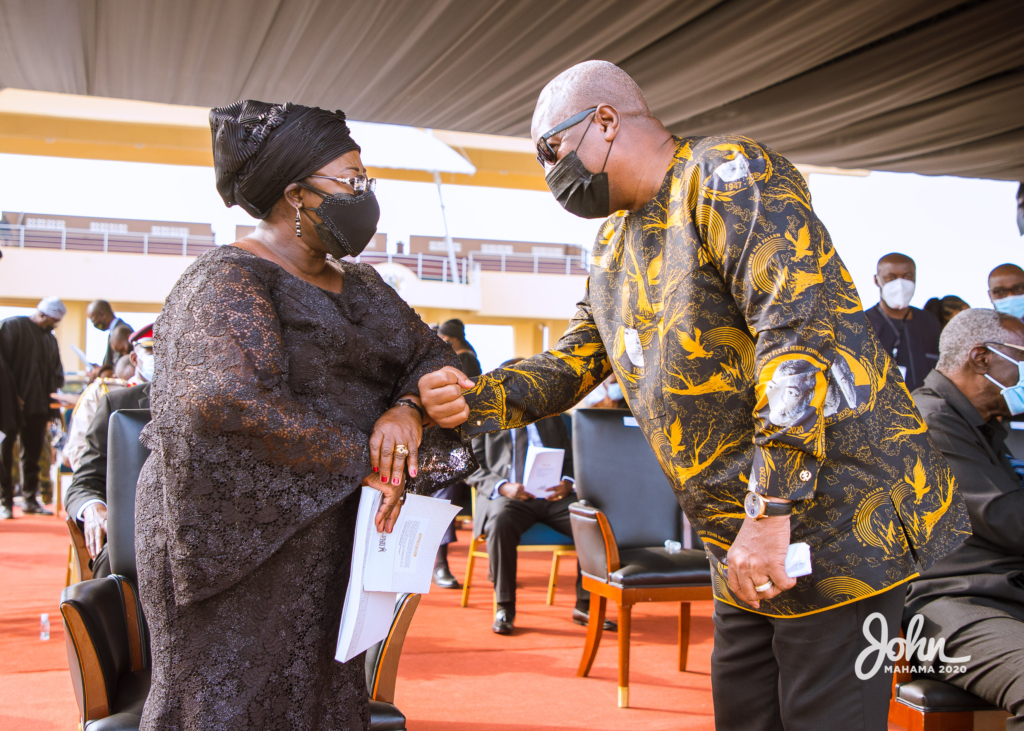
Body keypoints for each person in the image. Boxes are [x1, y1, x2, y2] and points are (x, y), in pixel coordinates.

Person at [419, 61, 970, 730]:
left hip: (829, 521)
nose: (550, 174)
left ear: (605, 121)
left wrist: (772, 509)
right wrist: (472, 401)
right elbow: (573, 363)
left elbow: (794, 334)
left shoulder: (724, 175)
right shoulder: (613, 245)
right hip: (739, 540)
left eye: (550, 150)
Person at [134, 100, 474, 730]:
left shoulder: (365, 285)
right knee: (229, 709)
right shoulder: (225, 281)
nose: (365, 196)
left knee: (321, 702)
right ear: (295, 194)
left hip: (331, 540)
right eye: (350, 182)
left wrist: (404, 412)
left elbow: (427, 354)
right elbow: (220, 405)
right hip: (240, 554)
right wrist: (368, 460)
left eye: (366, 181)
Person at [906, 308, 1024, 726]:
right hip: (953, 605)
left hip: (1003, 592)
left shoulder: (980, 424)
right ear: (982, 358)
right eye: (1023, 358)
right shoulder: (929, 422)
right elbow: (1007, 518)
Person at [468, 358, 609, 634]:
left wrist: (568, 483)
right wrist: (502, 487)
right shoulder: (484, 417)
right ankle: (505, 607)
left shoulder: (551, 415)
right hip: (510, 497)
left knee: (593, 523)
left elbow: (571, 459)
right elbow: (471, 467)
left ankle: (585, 606)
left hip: (552, 497)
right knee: (500, 522)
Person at [65, 325, 154, 578]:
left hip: (204, 534)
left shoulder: (219, 403)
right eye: (153, 351)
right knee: (111, 568)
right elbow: (84, 481)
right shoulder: (117, 403)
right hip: (133, 534)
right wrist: (94, 508)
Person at [0, 297, 65, 518]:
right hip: (8, 406)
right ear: (42, 314)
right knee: (3, 454)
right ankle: (5, 503)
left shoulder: (49, 340)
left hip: (38, 408)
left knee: (33, 455)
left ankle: (30, 500)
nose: (54, 326)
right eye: (52, 321)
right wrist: (11, 396)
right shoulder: (12, 326)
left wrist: (52, 409)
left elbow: (55, 375)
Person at [431, 318, 483, 588]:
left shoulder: (464, 361)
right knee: (442, 489)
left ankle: (440, 563)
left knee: (444, 488)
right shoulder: (462, 356)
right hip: (442, 440)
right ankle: (438, 562)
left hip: (457, 441)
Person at [864, 253, 941, 392]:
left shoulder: (929, 323)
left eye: (907, 277)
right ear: (876, 280)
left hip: (926, 408)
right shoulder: (861, 325)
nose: (900, 284)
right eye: (891, 278)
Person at [86, 300, 129, 377]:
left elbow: (123, 363)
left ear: (103, 315)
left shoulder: (122, 331)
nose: (94, 324)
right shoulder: (112, 332)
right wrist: (101, 369)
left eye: (93, 320)